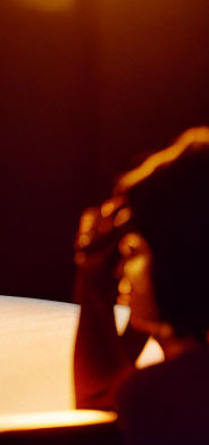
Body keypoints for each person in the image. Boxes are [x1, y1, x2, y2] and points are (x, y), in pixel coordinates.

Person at [73, 127, 209, 444]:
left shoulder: (171, 394)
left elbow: (102, 405)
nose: (119, 270)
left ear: (176, 260)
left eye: (133, 253)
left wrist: (92, 277)